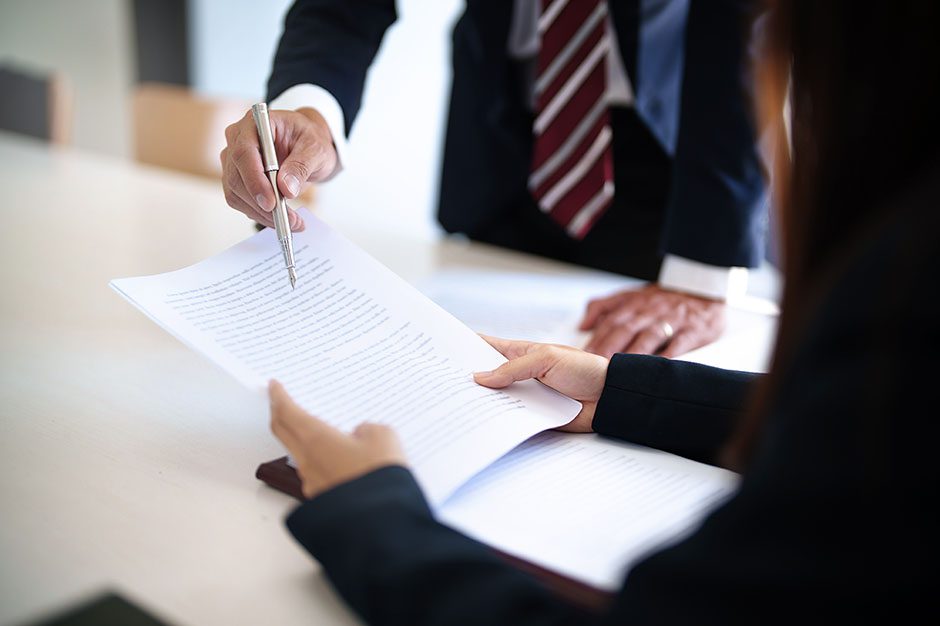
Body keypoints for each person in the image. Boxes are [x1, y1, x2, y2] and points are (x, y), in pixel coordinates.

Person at [264, 0, 939, 622]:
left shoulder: (895, 311)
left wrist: (372, 516)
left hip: (657, 152)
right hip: (508, 143)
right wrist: (624, 390)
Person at [219, 0, 769, 358]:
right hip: (505, 131)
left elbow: (745, 32)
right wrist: (313, 109)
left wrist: (703, 269)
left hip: (680, 148)